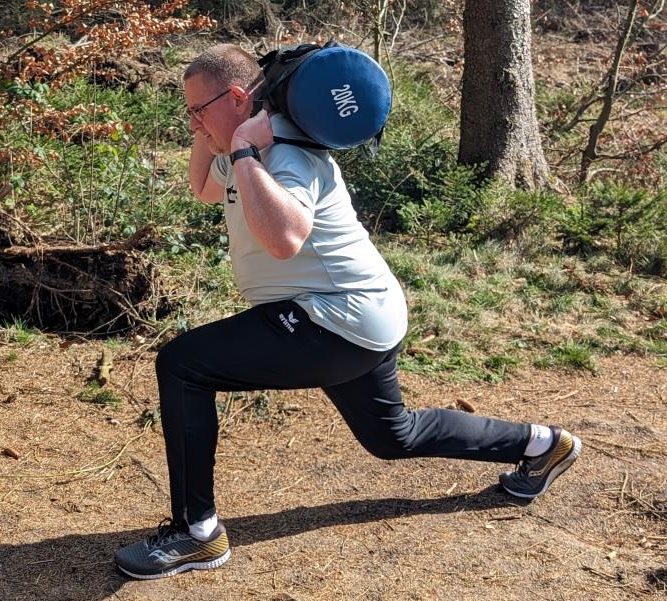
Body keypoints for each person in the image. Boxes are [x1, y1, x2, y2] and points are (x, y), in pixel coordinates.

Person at [114, 44, 581, 580]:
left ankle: (196, 533)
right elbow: (201, 188)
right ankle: (543, 445)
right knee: (392, 436)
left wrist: (244, 149)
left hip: (337, 318)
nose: (191, 121)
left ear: (239, 98)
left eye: (197, 109)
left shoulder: (287, 153)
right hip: (357, 318)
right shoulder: (243, 149)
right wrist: (218, 136)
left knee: (183, 364)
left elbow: (286, 238)